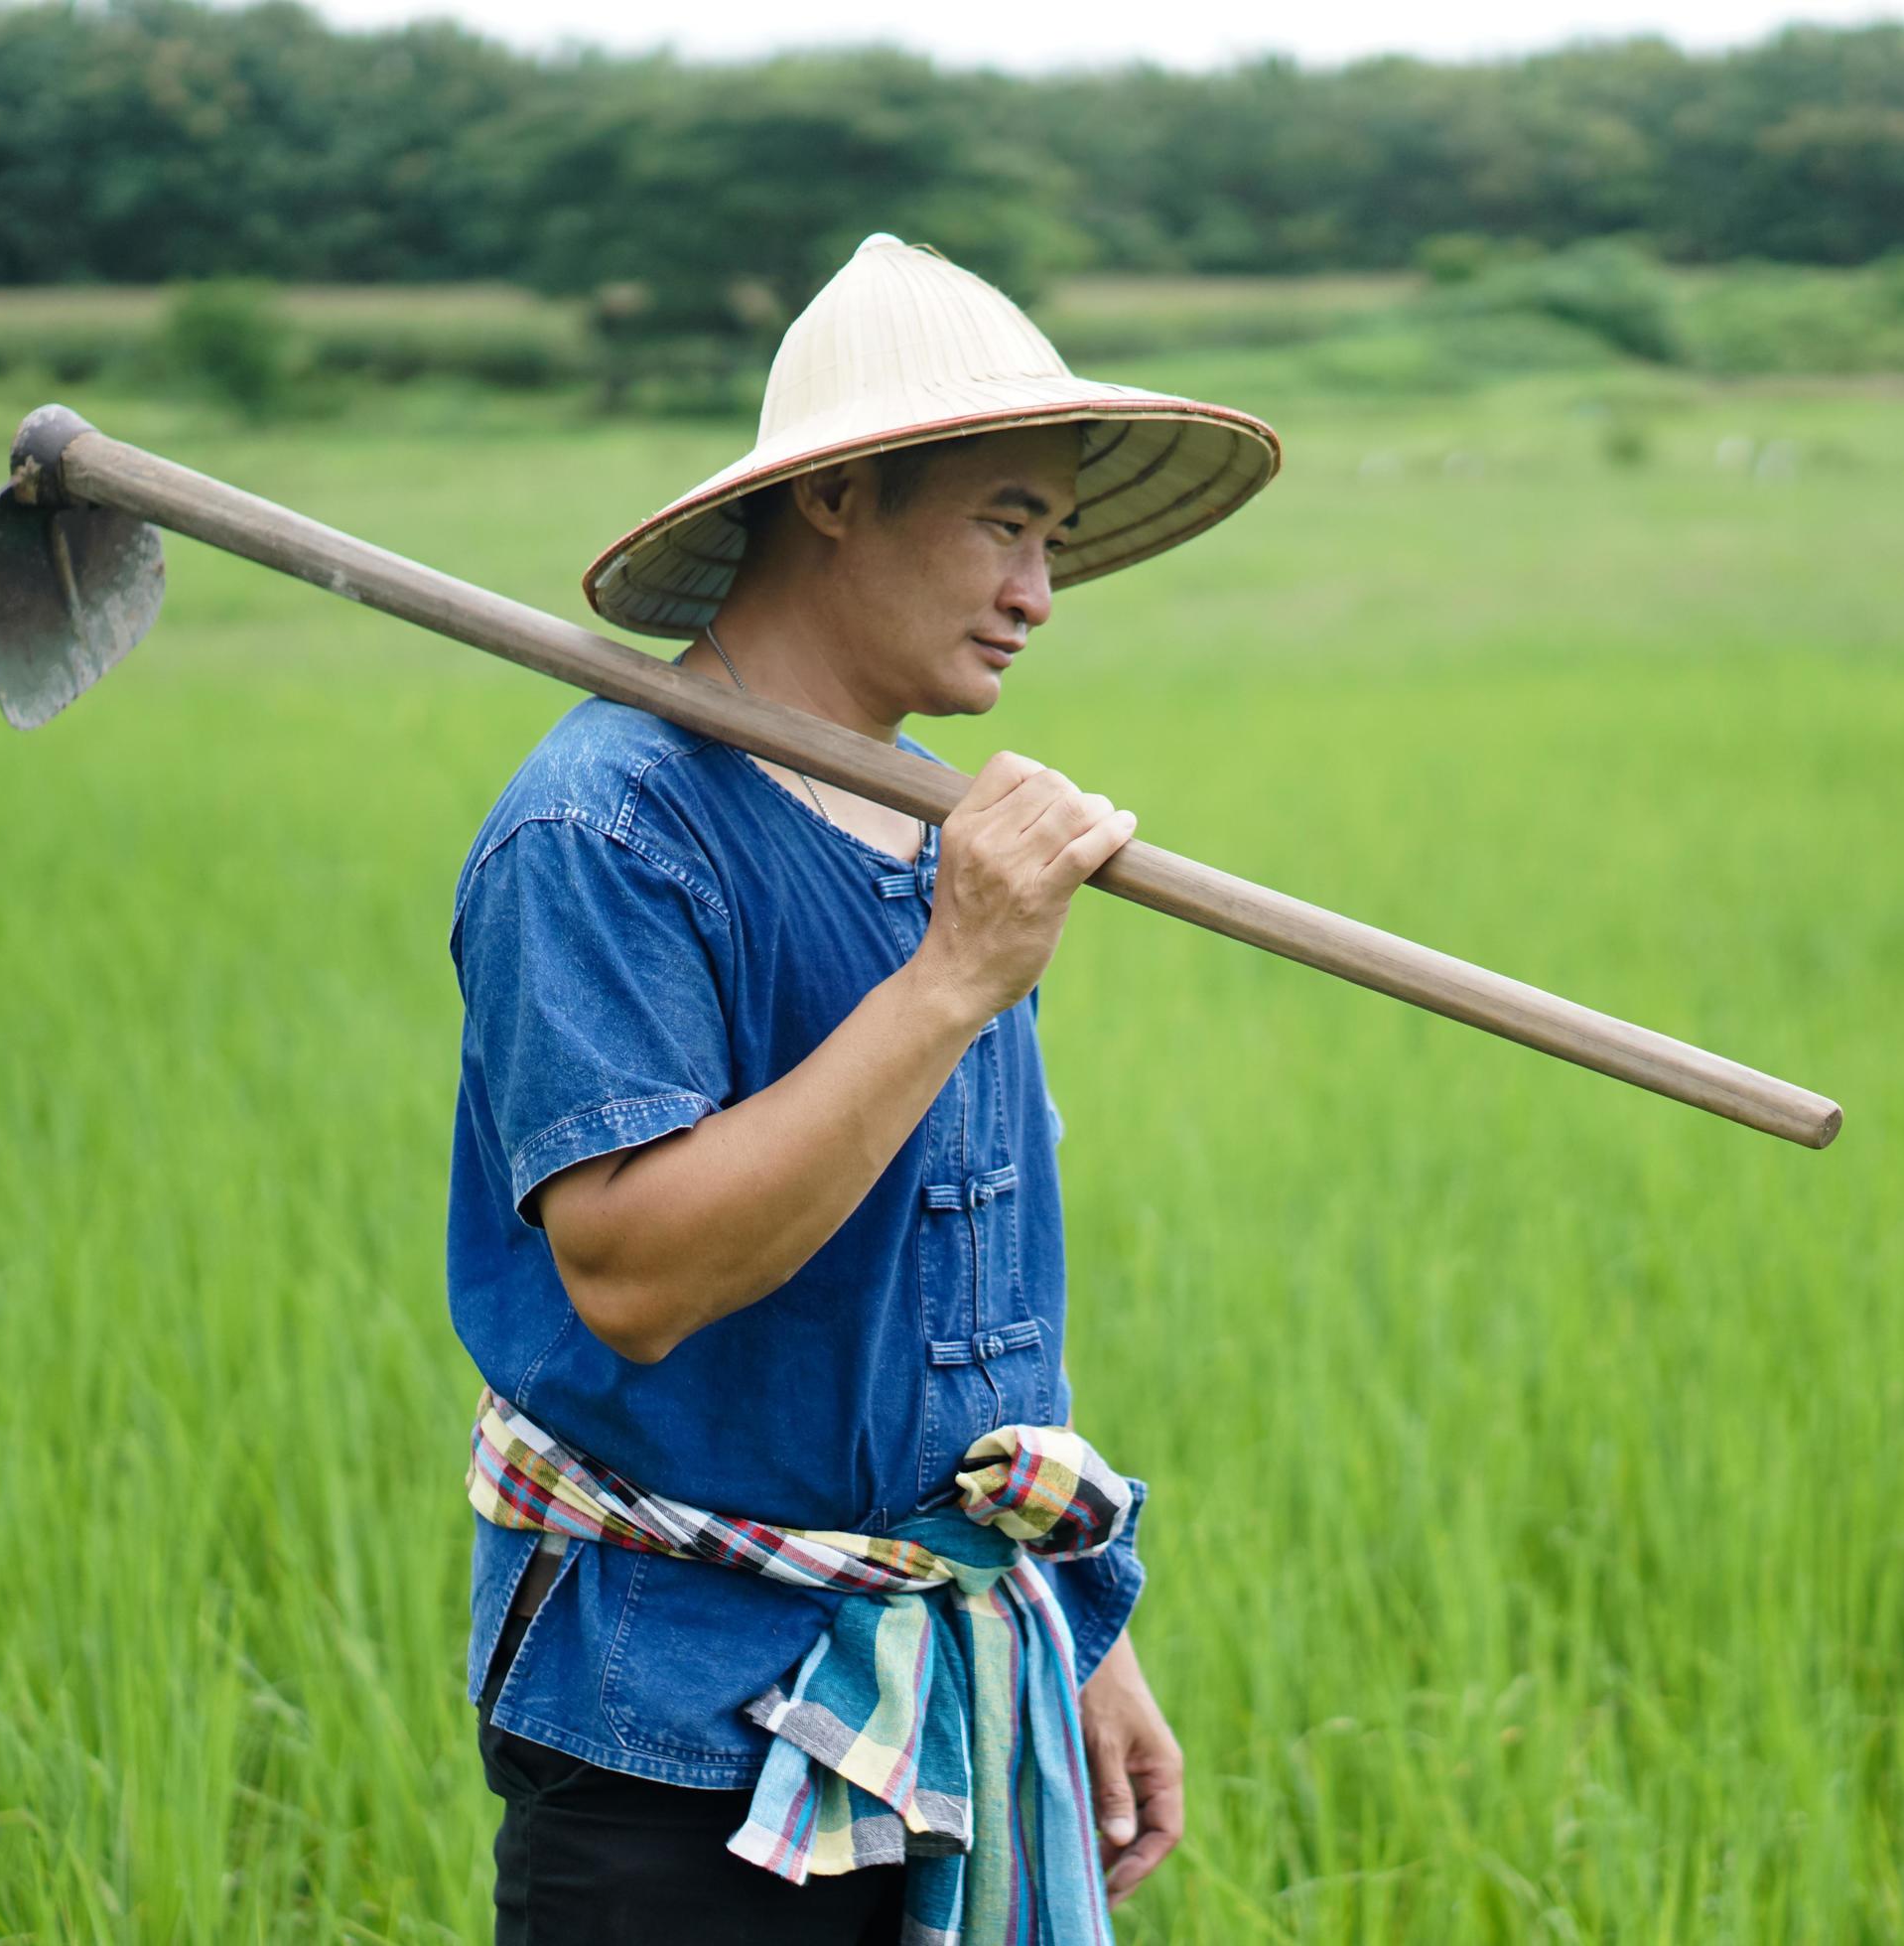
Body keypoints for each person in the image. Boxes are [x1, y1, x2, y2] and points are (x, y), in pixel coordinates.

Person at [446, 232, 1281, 1942]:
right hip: (673, 1740)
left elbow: (959, 1298)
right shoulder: (604, 828)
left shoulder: (929, 820)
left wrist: (1077, 1625)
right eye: (1003, 521)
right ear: (834, 503)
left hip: (947, 1688)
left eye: (1051, 535)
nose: (1039, 593)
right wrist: (957, 975)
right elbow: (634, 1273)